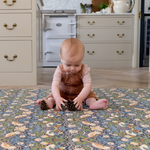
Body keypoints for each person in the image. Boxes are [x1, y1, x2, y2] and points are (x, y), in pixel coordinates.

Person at [36, 38, 108, 111]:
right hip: (63, 93)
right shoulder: (59, 69)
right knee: (53, 95)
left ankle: (92, 103)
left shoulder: (84, 69)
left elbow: (87, 85)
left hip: (80, 93)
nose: (73, 68)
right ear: (61, 58)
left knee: (90, 95)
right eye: (68, 65)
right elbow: (55, 85)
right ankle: (50, 102)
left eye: (77, 65)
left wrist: (80, 98)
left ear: (82, 58)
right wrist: (57, 98)